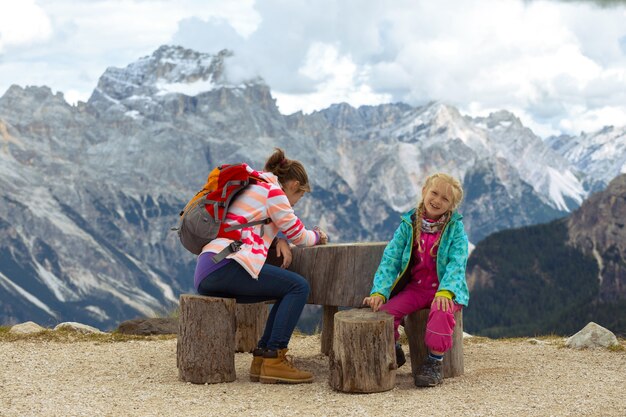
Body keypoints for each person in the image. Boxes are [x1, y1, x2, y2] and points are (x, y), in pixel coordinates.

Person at [193, 148, 328, 384]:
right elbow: (300, 236)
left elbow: (249, 222)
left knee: (283, 289)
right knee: (298, 288)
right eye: (300, 196)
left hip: (209, 267)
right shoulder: (274, 192)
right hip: (226, 264)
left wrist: (279, 239)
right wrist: (318, 235)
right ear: (294, 185)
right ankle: (274, 358)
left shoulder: (255, 186)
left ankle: (262, 359)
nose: (296, 203)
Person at [363, 172, 469, 387]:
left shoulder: (455, 229)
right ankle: (393, 348)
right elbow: (390, 259)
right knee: (385, 314)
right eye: (434, 193)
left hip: (445, 289)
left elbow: (457, 263)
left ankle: (434, 362)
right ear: (424, 192)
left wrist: (447, 291)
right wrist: (379, 291)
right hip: (416, 288)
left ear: (452, 206)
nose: (437, 200)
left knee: (441, 311)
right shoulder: (408, 225)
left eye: (445, 199)